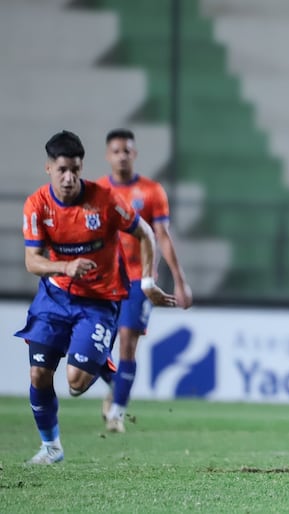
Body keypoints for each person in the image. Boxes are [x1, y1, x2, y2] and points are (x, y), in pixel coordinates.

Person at [16, 130, 176, 465]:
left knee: (75, 384)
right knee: (38, 375)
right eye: (62, 170)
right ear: (49, 169)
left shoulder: (104, 200)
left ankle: (94, 353)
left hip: (98, 302)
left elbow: (145, 232)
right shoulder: (37, 205)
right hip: (54, 298)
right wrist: (65, 266)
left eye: (75, 169)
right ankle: (51, 447)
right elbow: (33, 261)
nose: (70, 177)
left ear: (82, 166)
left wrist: (147, 282)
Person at [97, 128, 193, 433]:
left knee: (127, 342)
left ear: (134, 154)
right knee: (95, 350)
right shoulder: (98, 192)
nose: (122, 156)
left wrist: (179, 280)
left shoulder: (151, 191)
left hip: (139, 280)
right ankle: (115, 384)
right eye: (116, 151)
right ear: (108, 156)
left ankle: (117, 414)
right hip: (103, 281)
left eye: (127, 150)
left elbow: (162, 237)